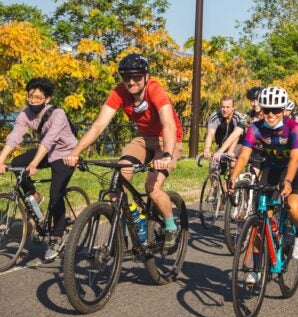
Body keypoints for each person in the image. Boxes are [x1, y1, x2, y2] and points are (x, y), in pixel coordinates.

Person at [63, 54, 183, 253]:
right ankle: (129, 228)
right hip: (143, 139)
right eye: (126, 77)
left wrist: (167, 156)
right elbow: (99, 125)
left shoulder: (155, 90)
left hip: (167, 140)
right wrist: (75, 152)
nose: (131, 81)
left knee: (152, 187)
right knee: (117, 184)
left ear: (145, 76)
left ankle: (171, 227)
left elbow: (168, 124)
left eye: (136, 76)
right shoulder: (120, 92)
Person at [228, 86, 298, 263]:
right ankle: (257, 268)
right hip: (271, 169)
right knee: (261, 217)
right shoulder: (256, 128)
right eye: (267, 110)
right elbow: (244, 155)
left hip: (294, 170)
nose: (271, 114)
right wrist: (233, 177)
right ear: (261, 109)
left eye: (276, 110)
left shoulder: (294, 128)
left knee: (293, 207)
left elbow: (294, 158)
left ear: (283, 110)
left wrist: (288, 181)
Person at [0, 78, 77, 261]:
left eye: (37, 97)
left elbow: (48, 140)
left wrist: (34, 163)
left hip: (65, 153)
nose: (32, 100)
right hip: (47, 151)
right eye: (30, 96)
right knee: (18, 163)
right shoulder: (25, 113)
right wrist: (1, 159)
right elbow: (14, 137)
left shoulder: (58, 114)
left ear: (47, 99)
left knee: (56, 194)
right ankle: (33, 195)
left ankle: (57, 237)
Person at [202, 96, 248, 160]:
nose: (225, 110)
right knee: (214, 167)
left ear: (233, 107)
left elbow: (235, 136)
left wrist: (229, 152)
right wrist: (207, 149)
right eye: (223, 107)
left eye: (228, 107)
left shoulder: (239, 117)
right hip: (221, 146)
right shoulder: (215, 116)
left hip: (237, 144)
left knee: (232, 163)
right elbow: (210, 134)